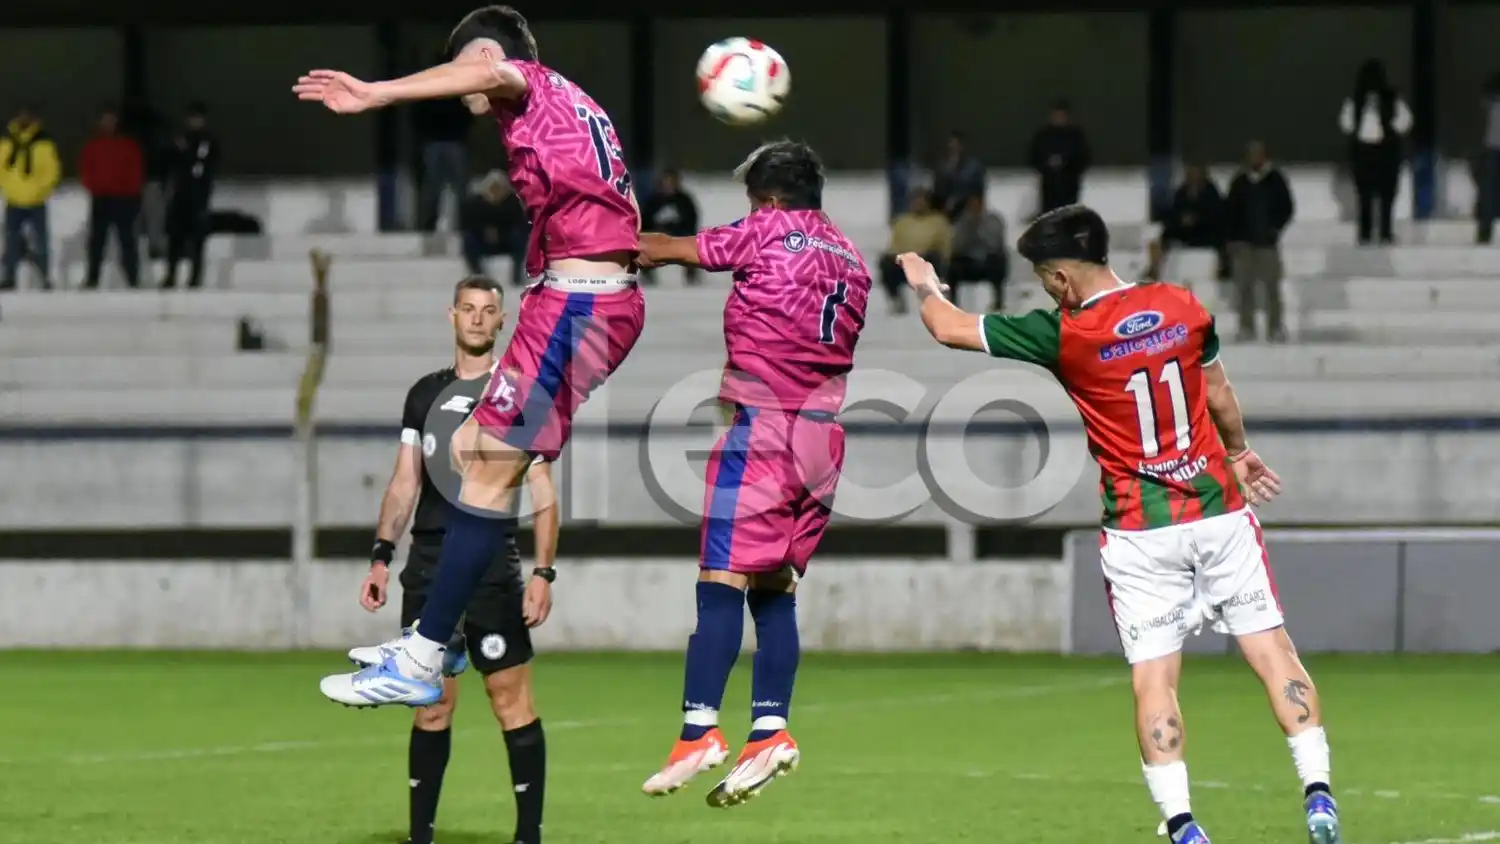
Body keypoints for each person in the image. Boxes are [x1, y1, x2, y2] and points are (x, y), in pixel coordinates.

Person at [894, 204, 1338, 844]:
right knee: (1272, 651)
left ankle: (1184, 826)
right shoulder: (1181, 305)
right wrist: (1238, 452)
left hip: (1138, 528)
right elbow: (1217, 393)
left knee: (1155, 677)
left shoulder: (1064, 332)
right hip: (1217, 510)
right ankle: (1317, 793)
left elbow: (949, 327)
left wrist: (923, 281)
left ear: (1058, 279)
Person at [298, 4, 646, 708]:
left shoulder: (526, 80)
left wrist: (376, 92)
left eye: (466, 65)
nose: (463, 83)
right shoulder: (564, 104)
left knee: (486, 469)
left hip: (581, 304)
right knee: (466, 449)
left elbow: (489, 70)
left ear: (487, 54)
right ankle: (439, 635)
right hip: (567, 299)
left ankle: (424, 655)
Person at [632, 140, 869, 808]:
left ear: (764, 200)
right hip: (824, 439)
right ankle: (770, 728)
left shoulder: (767, 230)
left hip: (764, 428)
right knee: (775, 584)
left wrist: (608, 236)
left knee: (721, 578)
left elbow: (668, 250)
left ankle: (698, 728)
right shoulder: (852, 258)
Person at [349, 276, 555, 844]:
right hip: (431, 564)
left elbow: (542, 488)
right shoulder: (424, 395)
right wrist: (381, 556)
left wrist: (543, 571)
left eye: (489, 310)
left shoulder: (516, 393)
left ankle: (528, 837)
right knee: (431, 704)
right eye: (469, 308)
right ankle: (421, 837)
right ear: (452, 316)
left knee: (509, 698)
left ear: (502, 320)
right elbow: (403, 483)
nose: (478, 319)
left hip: (491, 565)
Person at [1225, 142, 1294, 342]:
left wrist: (1274, 228)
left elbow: (1287, 207)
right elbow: (1231, 211)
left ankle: (1275, 327)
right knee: (1244, 287)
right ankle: (1246, 327)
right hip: (1243, 244)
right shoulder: (1240, 181)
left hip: (1267, 244)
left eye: (1258, 154)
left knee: (1272, 287)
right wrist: (1232, 238)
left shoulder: (1275, 179)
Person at [1338, 59, 1411, 245]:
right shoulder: (1355, 99)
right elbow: (1346, 123)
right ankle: (1366, 233)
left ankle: (1385, 232)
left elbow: (1405, 121)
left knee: (1387, 195)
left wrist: (1390, 129)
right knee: (1364, 195)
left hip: (1386, 151)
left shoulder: (1392, 98)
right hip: (1363, 152)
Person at [79, 106, 145, 289]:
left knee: (127, 241)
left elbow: (136, 171)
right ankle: (92, 279)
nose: (108, 123)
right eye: (105, 119)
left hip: (124, 199)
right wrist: (93, 187)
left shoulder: (128, 145)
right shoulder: (93, 145)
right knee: (96, 241)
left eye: (111, 119)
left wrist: (132, 193)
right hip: (101, 198)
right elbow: (86, 170)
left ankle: (133, 278)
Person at [0, 104, 61, 290]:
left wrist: (41, 190)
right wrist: (7, 188)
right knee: (11, 241)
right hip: (14, 199)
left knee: (41, 242)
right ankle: (9, 277)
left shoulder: (44, 143)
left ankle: (45, 277)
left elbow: (52, 170)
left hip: (36, 200)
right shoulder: (7, 142)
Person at [162, 102, 220, 289]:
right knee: (174, 240)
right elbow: (172, 163)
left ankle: (195, 278)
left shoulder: (207, 141)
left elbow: (202, 167)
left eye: (198, 118)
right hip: (179, 196)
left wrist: (185, 153)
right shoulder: (180, 138)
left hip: (199, 197)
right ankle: (171, 275)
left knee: (197, 241)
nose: (195, 122)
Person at [878, 188, 950, 314]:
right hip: (906, 261)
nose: (917, 204)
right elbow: (894, 245)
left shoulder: (938, 221)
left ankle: (934, 300)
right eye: (915, 201)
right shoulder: (902, 222)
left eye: (921, 201)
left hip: (927, 260)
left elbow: (945, 247)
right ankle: (896, 300)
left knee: (936, 260)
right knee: (886, 263)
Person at [461, 170, 528, 287]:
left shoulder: (513, 201)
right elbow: (469, 223)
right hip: (484, 241)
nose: (495, 190)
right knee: (468, 240)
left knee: (519, 237)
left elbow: (521, 223)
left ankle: (517, 275)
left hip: (507, 241)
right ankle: (478, 275)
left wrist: (500, 230)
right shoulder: (477, 203)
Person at [947, 194, 1008, 310]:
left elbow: (996, 244)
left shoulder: (993, 220)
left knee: (999, 260)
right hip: (968, 262)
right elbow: (957, 245)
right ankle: (953, 302)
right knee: (953, 265)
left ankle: (998, 302)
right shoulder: (963, 221)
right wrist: (969, 230)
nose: (974, 209)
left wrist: (979, 232)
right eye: (971, 206)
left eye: (977, 205)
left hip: (988, 261)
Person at [1028, 100, 1090, 214]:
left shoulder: (1075, 136)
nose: (1058, 118)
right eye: (1056, 115)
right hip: (1049, 186)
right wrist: (1047, 165)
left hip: (1070, 184)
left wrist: (1066, 163)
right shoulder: (1043, 136)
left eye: (1061, 115)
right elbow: (1034, 157)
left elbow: (1083, 158)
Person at [640, 169, 700, 285]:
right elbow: (645, 220)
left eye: (671, 182)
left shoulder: (684, 200)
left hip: (679, 235)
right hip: (657, 236)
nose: (668, 185)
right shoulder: (653, 200)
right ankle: (647, 277)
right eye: (666, 182)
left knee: (693, 246)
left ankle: (691, 278)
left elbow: (691, 220)